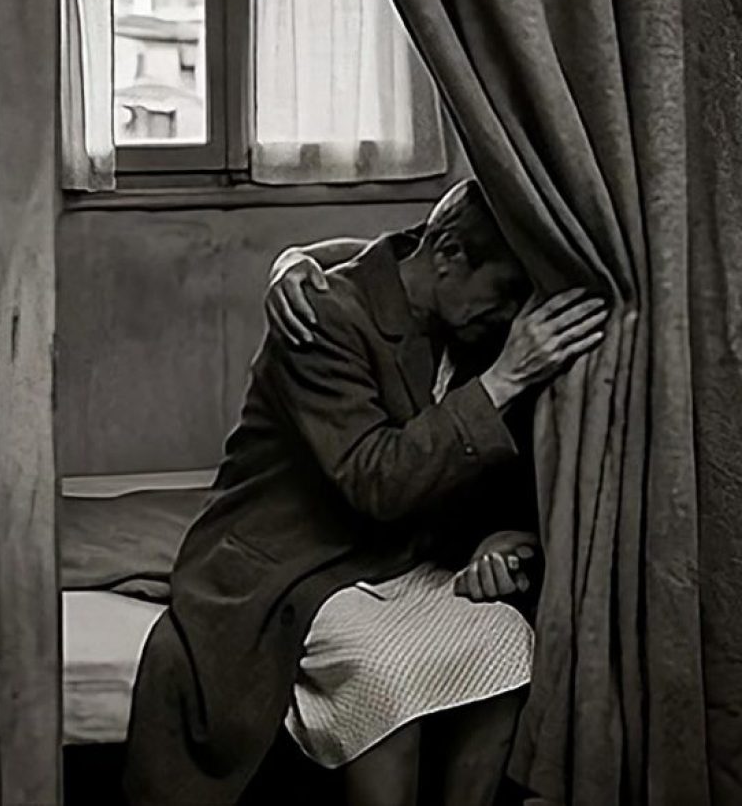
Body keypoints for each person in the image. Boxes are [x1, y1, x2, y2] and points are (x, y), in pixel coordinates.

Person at [122, 179, 608, 806]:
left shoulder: (461, 315)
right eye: (509, 290)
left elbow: (387, 251)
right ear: (449, 256)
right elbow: (377, 480)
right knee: (387, 673)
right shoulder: (322, 318)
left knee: (507, 643)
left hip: (394, 557)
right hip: (291, 564)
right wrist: (504, 380)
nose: (516, 315)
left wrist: (499, 537)